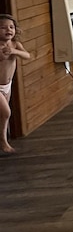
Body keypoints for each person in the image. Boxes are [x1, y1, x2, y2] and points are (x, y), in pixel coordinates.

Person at [0, 14, 31, 154]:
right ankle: (3, 141)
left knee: (2, 114)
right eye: (3, 27)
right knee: (6, 112)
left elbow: (27, 55)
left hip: (7, 85)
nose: (8, 30)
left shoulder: (15, 44)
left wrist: (14, 51)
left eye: (11, 27)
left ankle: (2, 138)